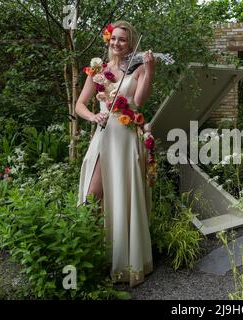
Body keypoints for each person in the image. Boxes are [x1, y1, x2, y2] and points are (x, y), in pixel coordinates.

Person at [76, 20, 155, 287]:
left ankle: (121, 264)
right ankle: (93, 254)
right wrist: (92, 115)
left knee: (123, 195)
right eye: (114, 39)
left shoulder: (139, 66)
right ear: (108, 40)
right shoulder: (98, 69)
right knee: (92, 196)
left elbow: (141, 101)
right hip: (103, 136)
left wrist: (151, 70)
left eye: (122, 39)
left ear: (130, 42)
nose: (117, 43)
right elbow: (80, 105)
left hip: (126, 139)